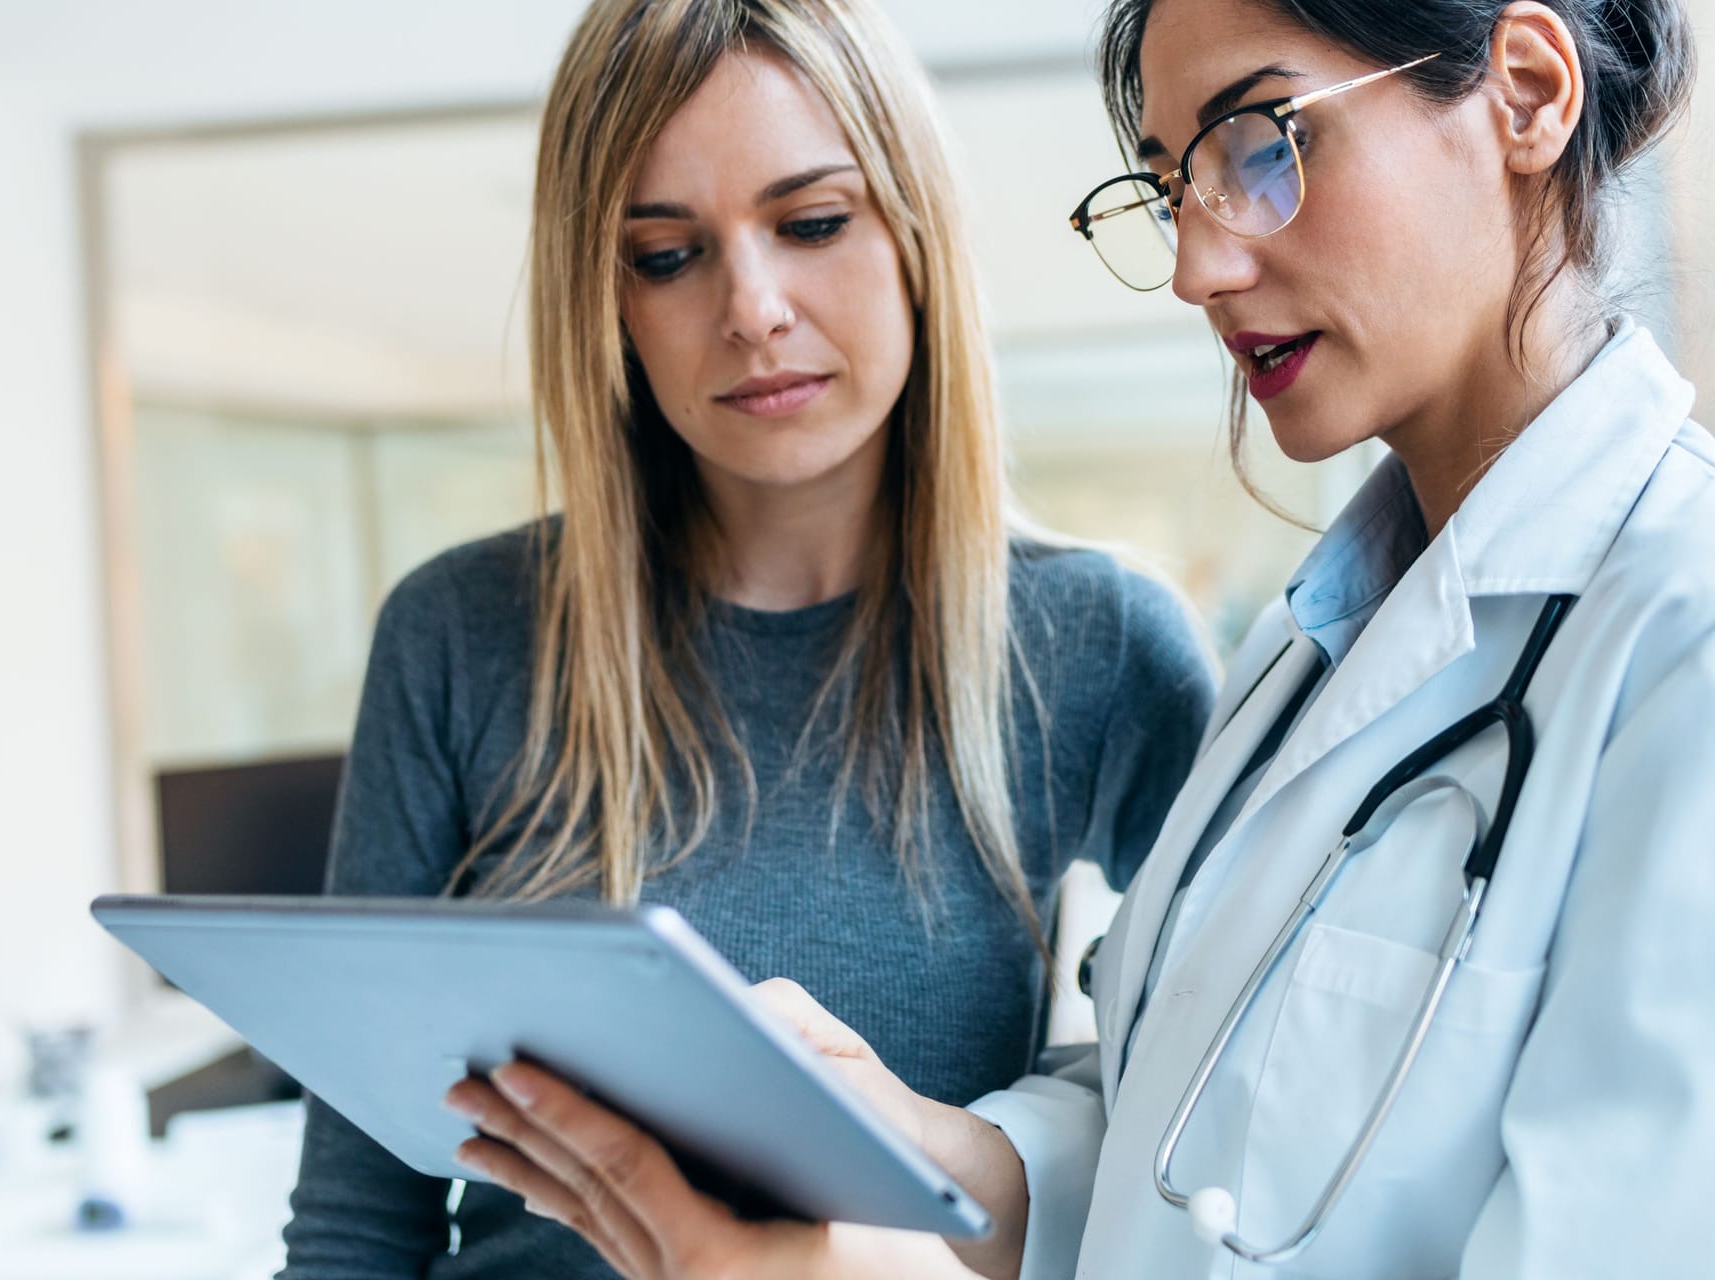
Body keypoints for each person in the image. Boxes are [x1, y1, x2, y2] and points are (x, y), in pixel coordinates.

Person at [448, 0, 1715, 1277]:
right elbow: (1168, 1138)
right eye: (1174, 188)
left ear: (1530, 92)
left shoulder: (1684, 629)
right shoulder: (1309, 654)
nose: (1196, 266)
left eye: (1262, 145)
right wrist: (917, 1139)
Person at [276, 0, 1216, 1275]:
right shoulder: (461, 634)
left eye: (814, 223)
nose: (753, 307)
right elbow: (355, 1222)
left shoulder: (1097, 643)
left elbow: (1209, 1127)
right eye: (666, 254)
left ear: (914, 233)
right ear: (605, 300)